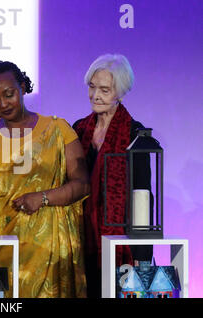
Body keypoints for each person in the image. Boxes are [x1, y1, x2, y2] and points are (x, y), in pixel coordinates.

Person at [0, 61, 90, 298]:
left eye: (9, 94)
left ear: (22, 87)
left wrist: (43, 198)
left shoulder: (57, 129)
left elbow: (82, 184)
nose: (3, 104)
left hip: (46, 247)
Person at [73, 53, 153, 298]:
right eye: (92, 87)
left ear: (120, 93)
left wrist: (142, 255)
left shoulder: (135, 134)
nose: (95, 95)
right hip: (83, 236)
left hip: (123, 240)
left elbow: (143, 193)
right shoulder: (78, 129)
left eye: (105, 90)